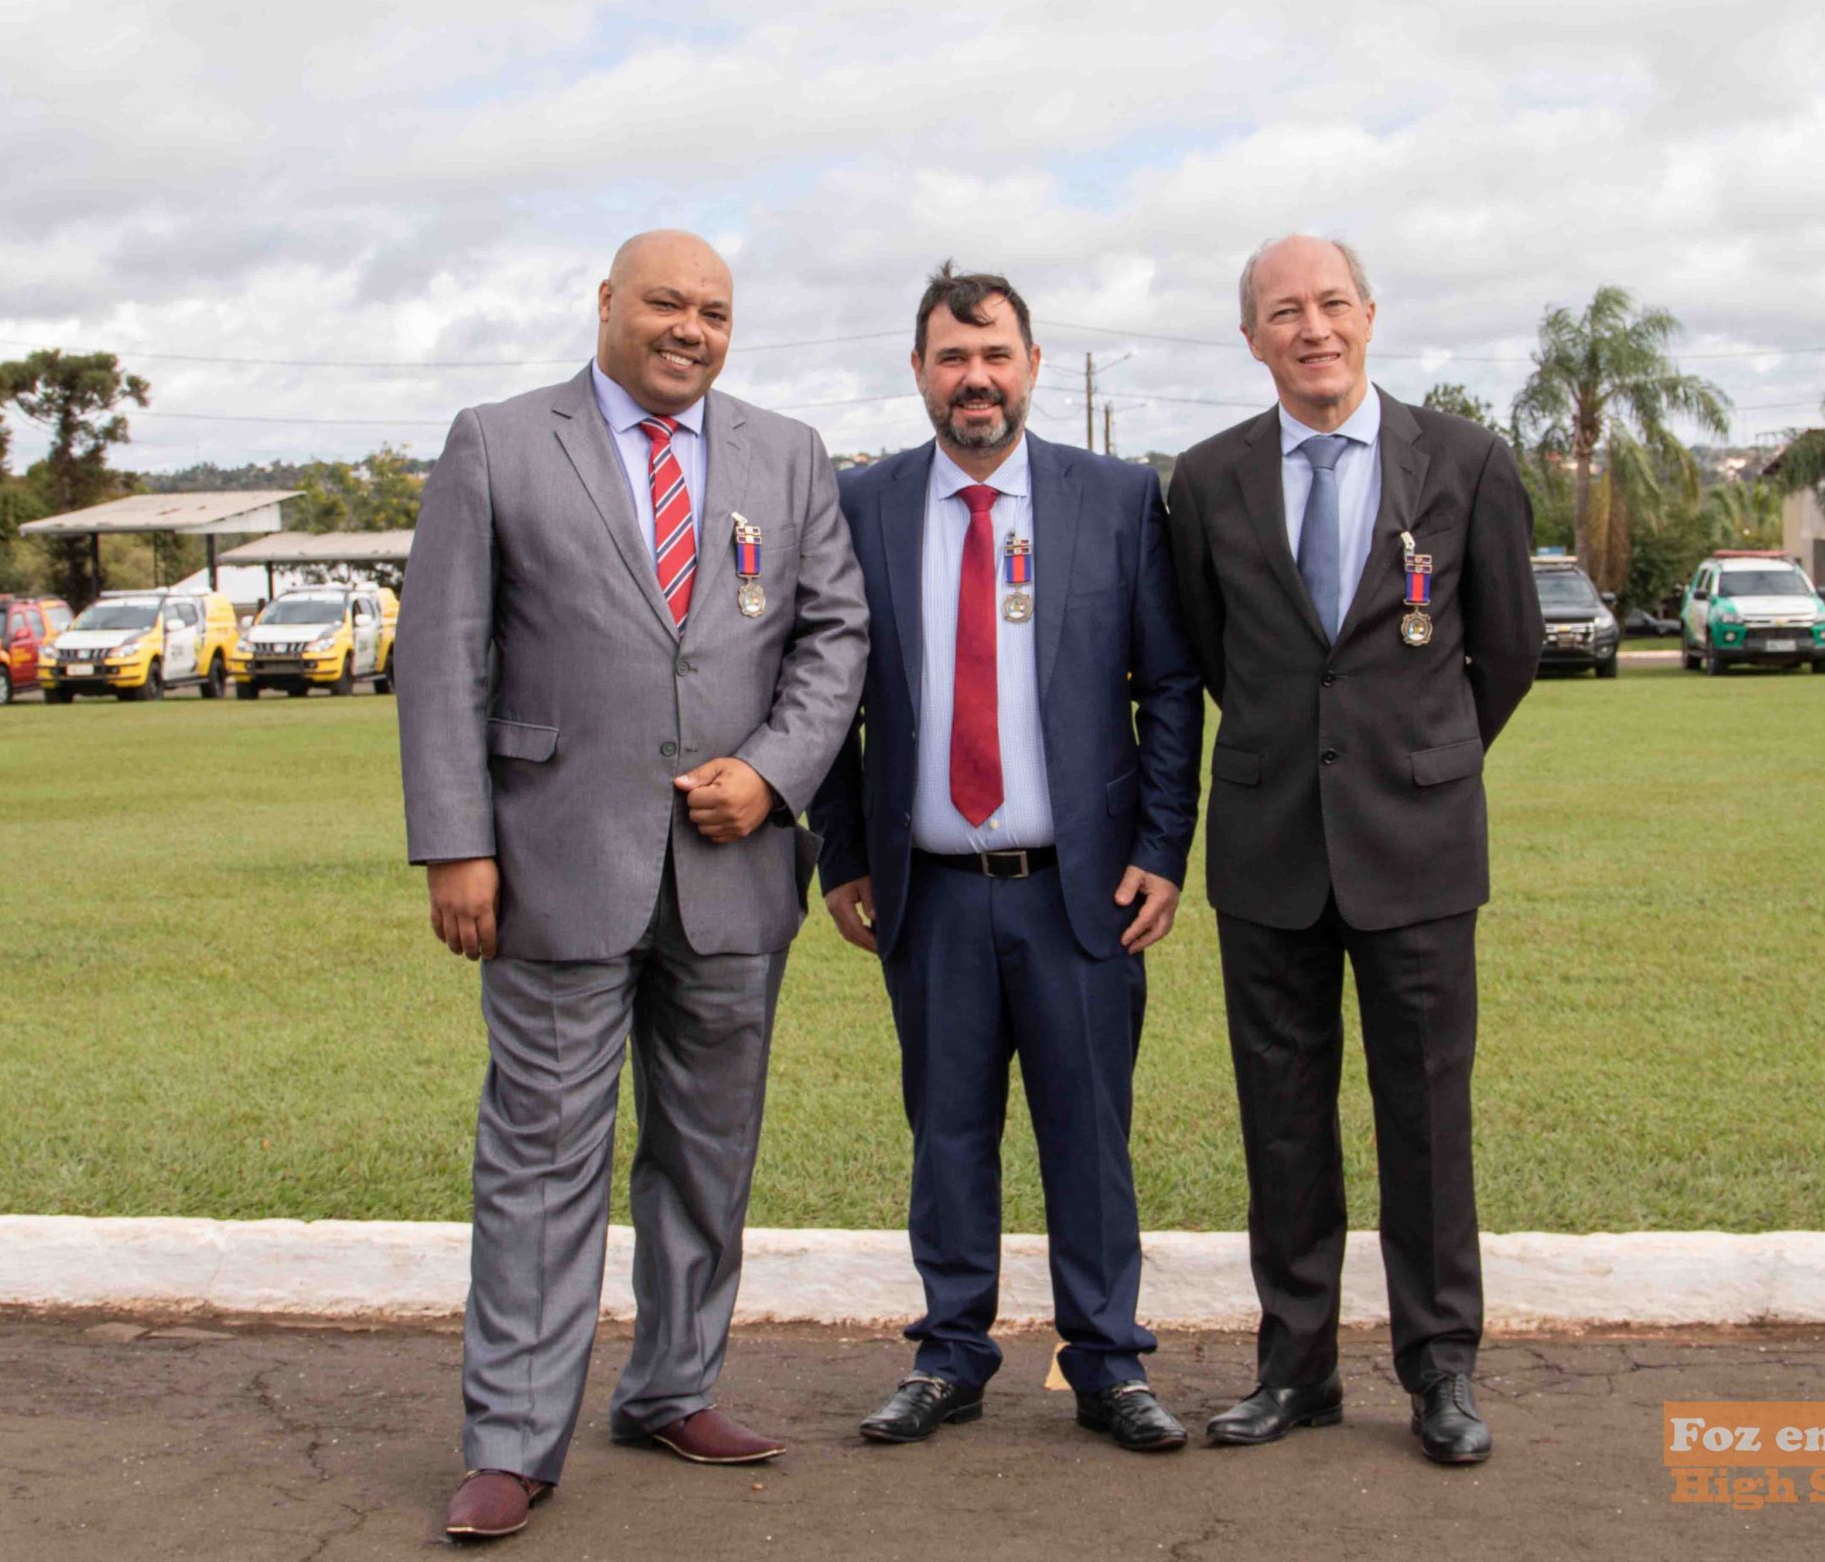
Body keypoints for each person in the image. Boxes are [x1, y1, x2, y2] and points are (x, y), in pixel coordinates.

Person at [396, 230, 870, 1541]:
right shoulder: (497, 441)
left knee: (707, 1150)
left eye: (715, 311)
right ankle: (512, 1435)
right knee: (542, 1155)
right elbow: (443, 654)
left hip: (735, 867)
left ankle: (672, 1385)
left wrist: (773, 776)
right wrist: (456, 841)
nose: (691, 328)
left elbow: (836, 638)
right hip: (550, 862)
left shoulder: (789, 452)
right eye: (666, 302)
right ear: (606, 303)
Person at [809, 263, 1205, 1453]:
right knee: (947, 1133)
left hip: (1077, 893)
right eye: (949, 358)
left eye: (993, 357)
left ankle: (1107, 1361)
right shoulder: (862, 503)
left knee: (1089, 1133)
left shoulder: (1118, 499)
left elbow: (1171, 686)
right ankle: (949, 1356)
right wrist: (841, 853)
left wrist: (1161, 849)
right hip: (925, 895)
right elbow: (827, 688)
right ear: (920, 373)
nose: (973, 380)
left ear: (1031, 366)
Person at [1165, 234, 1542, 1464]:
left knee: (1425, 1116)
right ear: (1252, 337)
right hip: (1270, 842)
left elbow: (1511, 646)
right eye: (1284, 310)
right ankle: (1296, 1368)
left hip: (1418, 843)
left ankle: (1441, 1372)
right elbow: (1214, 655)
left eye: (1331, 304)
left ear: (1370, 316)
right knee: (1280, 1117)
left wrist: (1419, 753)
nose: (1311, 327)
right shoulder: (1208, 481)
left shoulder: (1467, 462)